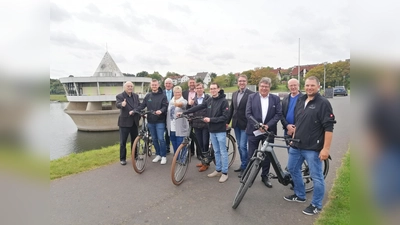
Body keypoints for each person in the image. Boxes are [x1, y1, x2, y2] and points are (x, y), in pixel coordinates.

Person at [284, 76, 336, 216]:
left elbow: (329, 128)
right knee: (293, 169)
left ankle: (316, 205)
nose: (309, 88)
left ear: (318, 87)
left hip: (313, 148)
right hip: (297, 145)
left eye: (312, 85)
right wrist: (293, 139)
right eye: (307, 85)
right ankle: (300, 195)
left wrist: (326, 149)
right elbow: (299, 122)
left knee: (316, 176)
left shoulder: (323, 103)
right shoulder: (301, 100)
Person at [180, 83, 230, 183]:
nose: (213, 90)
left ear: (218, 89)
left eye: (215, 88)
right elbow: (198, 107)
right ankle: (218, 170)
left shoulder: (224, 101)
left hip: (220, 130)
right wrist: (184, 112)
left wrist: (211, 119)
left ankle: (225, 173)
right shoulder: (209, 100)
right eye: (211, 89)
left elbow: (225, 117)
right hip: (212, 129)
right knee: (216, 151)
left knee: (222, 151)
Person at [246, 77, 282, 188]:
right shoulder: (252, 97)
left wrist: (267, 125)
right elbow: (248, 114)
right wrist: (258, 125)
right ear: (259, 86)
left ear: (269, 87)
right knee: (252, 154)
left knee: (267, 156)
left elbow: (278, 114)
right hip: (254, 131)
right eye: (262, 86)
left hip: (269, 132)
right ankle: (249, 177)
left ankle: (264, 176)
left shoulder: (275, 99)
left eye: (266, 86)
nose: (264, 88)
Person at [135, 79, 169, 165]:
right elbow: (143, 105)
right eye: (152, 85)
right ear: (151, 86)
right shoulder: (148, 96)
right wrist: (135, 110)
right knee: (154, 139)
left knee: (161, 139)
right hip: (150, 121)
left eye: (155, 85)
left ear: (158, 85)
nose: (154, 86)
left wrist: (161, 111)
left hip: (160, 121)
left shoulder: (163, 96)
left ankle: (164, 156)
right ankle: (158, 154)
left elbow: (165, 106)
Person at [227, 75, 254, 178]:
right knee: (239, 145)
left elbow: (252, 111)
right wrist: (227, 122)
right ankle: (243, 164)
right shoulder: (234, 94)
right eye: (240, 81)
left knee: (243, 146)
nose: (241, 83)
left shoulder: (251, 95)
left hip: (246, 125)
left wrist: (250, 124)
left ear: (246, 82)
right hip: (236, 124)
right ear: (237, 83)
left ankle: (245, 167)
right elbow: (232, 109)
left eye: (243, 81)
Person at [116, 81, 141, 165]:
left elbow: (139, 106)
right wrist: (122, 104)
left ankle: (135, 156)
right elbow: (117, 104)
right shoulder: (120, 96)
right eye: (128, 86)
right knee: (123, 142)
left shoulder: (136, 96)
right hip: (124, 123)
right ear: (124, 87)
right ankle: (122, 159)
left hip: (134, 121)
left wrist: (136, 111)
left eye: (131, 86)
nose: (130, 87)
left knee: (135, 141)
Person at [192, 83, 211, 172]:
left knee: (205, 143)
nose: (199, 89)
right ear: (195, 90)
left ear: (203, 89)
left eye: (200, 88)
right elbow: (193, 110)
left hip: (205, 124)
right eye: (197, 88)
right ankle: (203, 161)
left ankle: (206, 163)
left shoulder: (208, 98)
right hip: (196, 124)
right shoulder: (194, 99)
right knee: (200, 144)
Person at [166, 86, 189, 153]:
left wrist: (177, 104)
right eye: (176, 92)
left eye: (179, 92)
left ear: (181, 93)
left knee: (181, 143)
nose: (177, 94)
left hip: (180, 127)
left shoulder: (184, 101)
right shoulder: (171, 101)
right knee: (174, 143)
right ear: (173, 93)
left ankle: (182, 159)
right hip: (172, 126)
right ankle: (176, 157)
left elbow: (182, 104)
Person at [182, 77, 197, 156]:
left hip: (197, 116)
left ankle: (199, 153)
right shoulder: (184, 93)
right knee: (189, 134)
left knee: (197, 135)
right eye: (190, 83)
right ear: (188, 84)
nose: (192, 84)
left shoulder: (199, 91)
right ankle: (191, 151)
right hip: (188, 116)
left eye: (193, 82)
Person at [163, 78, 174, 154]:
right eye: (166, 83)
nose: (168, 85)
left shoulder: (176, 93)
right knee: (165, 132)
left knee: (172, 132)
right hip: (163, 115)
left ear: (172, 85)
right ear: (164, 85)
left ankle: (175, 147)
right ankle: (166, 147)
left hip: (173, 116)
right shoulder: (161, 93)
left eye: (169, 83)